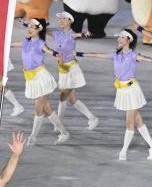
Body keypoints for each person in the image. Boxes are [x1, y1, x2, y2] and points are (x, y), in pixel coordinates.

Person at [78, 29, 152, 160]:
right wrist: (80, 53)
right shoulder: (116, 54)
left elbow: (147, 59)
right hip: (122, 90)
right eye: (119, 37)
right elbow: (97, 55)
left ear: (129, 40)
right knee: (138, 121)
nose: (119, 39)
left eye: (122, 37)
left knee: (129, 123)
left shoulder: (134, 55)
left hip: (132, 91)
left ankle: (124, 151)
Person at [16, 19, 70, 145]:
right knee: (47, 109)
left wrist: (57, 54)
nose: (29, 29)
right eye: (28, 26)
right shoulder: (25, 42)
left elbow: (49, 50)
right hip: (30, 78)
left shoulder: (40, 43)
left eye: (32, 27)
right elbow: (12, 44)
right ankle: (64, 133)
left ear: (39, 29)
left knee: (38, 110)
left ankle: (33, 137)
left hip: (41, 78)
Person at [48, 12, 98, 129]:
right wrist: (29, 25)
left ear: (70, 21)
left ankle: (58, 123)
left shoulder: (72, 34)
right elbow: (43, 30)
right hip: (62, 68)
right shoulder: (57, 34)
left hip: (71, 69)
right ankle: (92, 118)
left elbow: (80, 35)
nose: (60, 21)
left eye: (63, 19)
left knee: (63, 96)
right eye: (60, 19)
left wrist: (86, 34)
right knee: (72, 100)